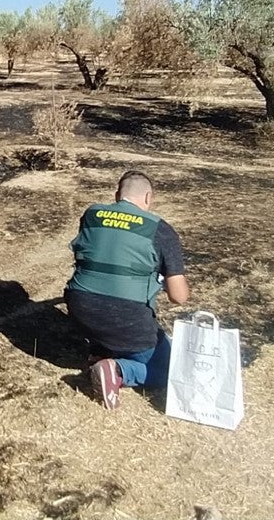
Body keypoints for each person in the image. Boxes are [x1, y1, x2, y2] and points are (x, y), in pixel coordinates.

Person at [64, 170, 189, 410]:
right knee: (172, 370)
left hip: (80, 308)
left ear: (117, 195)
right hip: (126, 318)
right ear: (148, 197)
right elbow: (179, 297)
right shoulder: (160, 230)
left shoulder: (91, 214)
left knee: (109, 318)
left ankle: (101, 350)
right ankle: (118, 370)